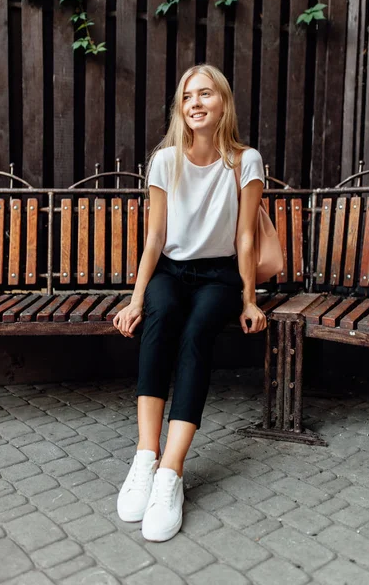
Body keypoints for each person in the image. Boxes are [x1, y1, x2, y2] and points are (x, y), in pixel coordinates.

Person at [113, 64, 267, 542]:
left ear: (223, 102)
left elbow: (245, 237)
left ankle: (171, 474)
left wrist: (248, 300)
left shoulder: (245, 161)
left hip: (219, 276)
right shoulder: (165, 160)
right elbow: (155, 236)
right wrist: (136, 298)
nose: (195, 103)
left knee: (198, 331)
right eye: (187, 97)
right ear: (181, 109)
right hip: (171, 272)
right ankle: (145, 456)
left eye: (205, 94)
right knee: (159, 318)